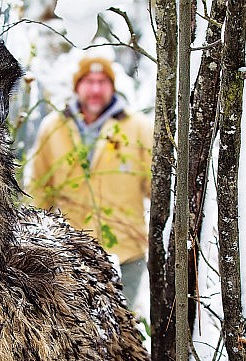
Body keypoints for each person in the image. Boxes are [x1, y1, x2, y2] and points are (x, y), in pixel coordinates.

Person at [29, 55, 154, 309]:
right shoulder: (53, 128)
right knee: (77, 337)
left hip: (126, 253)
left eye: (103, 82)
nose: (96, 89)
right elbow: (39, 191)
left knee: (121, 335)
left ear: (112, 86)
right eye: (89, 81)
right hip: (70, 252)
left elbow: (159, 190)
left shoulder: (139, 128)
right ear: (77, 86)